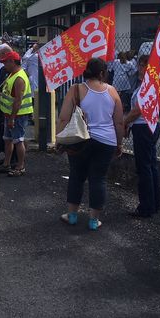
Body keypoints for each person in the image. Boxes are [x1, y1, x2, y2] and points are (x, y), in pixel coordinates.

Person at [57, 58, 124, 230]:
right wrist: (119, 143)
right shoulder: (113, 92)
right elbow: (118, 123)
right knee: (98, 179)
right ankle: (94, 220)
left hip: (81, 140)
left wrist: (59, 138)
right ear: (102, 73)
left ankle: (72, 215)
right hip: (106, 141)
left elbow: (64, 117)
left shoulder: (76, 89)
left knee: (76, 176)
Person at [124, 55, 160, 218]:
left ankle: (146, 207)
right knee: (151, 165)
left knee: (145, 167)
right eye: (140, 64)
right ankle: (153, 203)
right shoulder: (148, 85)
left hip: (144, 128)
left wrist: (124, 122)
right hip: (149, 126)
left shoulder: (147, 86)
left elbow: (137, 110)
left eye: (143, 65)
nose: (140, 68)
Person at [0, 50, 33, 177]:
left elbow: (18, 101)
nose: (4, 65)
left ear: (12, 62)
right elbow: (10, 95)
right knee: (8, 140)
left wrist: (12, 118)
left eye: (5, 62)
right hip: (10, 114)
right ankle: (7, 163)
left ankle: (20, 166)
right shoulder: (13, 74)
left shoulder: (19, 77)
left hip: (17, 115)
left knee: (18, 140)